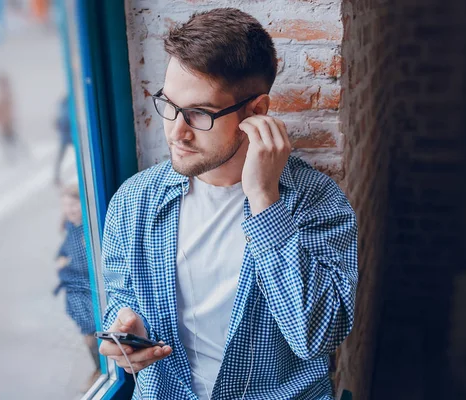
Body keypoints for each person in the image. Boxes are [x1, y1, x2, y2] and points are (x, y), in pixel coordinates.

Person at [99, 8, 358, 400]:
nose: (176, 131)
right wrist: (125, 333)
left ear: (256, 112)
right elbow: (120, 302)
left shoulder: (317, 202)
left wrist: (264, 201)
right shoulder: (134, 201)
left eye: (199, 114)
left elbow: (316, 337)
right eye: (168, 104)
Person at [53, 183, 101, 390]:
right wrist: (61, 257)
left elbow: (86, 265)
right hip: (77, 293)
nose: (69, 210)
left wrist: (67, 265)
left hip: (89, 291)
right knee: (88, 336)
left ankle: (101, 370)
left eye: (74, 205)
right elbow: (65, 248)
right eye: (66, 206)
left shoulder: (88, 231)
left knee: (92, 337)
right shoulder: (71, 227)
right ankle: (99, 369)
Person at [0, 73, 28, 163]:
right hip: (5, 124)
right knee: (11, 142)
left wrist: (3, 119)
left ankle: (19, 158)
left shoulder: (5, 94)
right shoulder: (3, 95)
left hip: (7, 124)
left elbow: (5, 109)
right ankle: (17, 158)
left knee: (12, 142)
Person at [53, 95, 72, 186]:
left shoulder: (63, 106)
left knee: (60, 156)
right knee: (60, 156)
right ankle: (56, 176)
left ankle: (56, 176)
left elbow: (58, 122)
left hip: (68, 136)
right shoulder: (66, 106)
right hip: (68, 136)